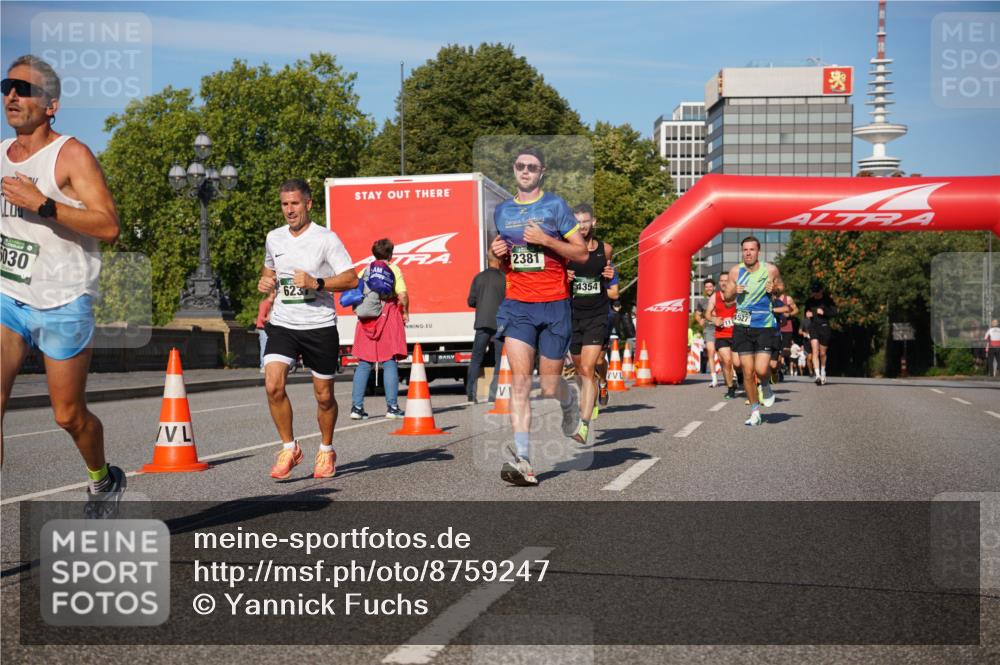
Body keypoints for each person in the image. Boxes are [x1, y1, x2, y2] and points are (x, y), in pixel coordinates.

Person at [1, 55, 126, 513]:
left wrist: (44, 204)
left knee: (68, 415)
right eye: (7, 87)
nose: (12, 96)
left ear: (51, 105)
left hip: (63, 300)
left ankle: (102, 479)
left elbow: (109, 227)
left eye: (24, 88)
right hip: (8, 298)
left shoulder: (71, 154)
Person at [490, 146, 589, 486]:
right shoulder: (502, 211)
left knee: (548, 385)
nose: (526, 171)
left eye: (532, 167)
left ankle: (568, 399)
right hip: (518, 304)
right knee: (519, 381)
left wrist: (546, 240)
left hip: (555, 304)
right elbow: (500, 262)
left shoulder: (556, 206)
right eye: (520, 166)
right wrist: (496, 252)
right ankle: (524, 460)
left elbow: (579, 251)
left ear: (542, 171)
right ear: (514, 169)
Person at [258, 178, 357, 480]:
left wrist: (318, 283)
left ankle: (326, 450)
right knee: (273, 385)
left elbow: (352, 279)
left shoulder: (326, 239)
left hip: (319, 325)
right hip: (284, 323)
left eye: (295, 204)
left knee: (324, 396)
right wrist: (265, 282)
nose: (289, 210)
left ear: (309, 204)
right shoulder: (274, 238)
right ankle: (290, 447)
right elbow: (269, 270)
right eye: (285, 204)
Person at [566, 203, 615, 443]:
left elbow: (610, 281)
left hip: (597, 315)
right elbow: (558, 285)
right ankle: (595, 388)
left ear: (593, 222)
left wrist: (609, 278)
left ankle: (583, 425)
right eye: (576, 223)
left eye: (585, 221)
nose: (581, 226)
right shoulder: (566, 252)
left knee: (588, 368)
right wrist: (564, 278)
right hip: (574, 316)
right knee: (579, 369)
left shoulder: (605, 250)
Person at [722, 236, 781, 426]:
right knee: (747, 371)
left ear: (758, 252)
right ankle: (755, 410)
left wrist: (774, 289)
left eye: (751, 250)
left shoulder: (769, 269)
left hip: (764, 322)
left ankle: (765, 384)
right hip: (743, 320)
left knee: (761, 369)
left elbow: (781, 287)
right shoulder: (735, 272)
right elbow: (726, 298)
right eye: (745, 250)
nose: (748, 253)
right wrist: (734, 291)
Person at [350, 238, 409, 420]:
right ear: (390, 254)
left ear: (373, 253)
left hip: (366, 319)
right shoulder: (393, 269)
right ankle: (392, 407)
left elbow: (355, 292)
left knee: (364, 363)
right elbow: (403, 295)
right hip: (387, 316)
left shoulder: (365, 270)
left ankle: (357, 408)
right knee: (389, 360)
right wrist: (405, 311)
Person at [466, 250, 505, 403]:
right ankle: (493, 395)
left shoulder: (478, 278)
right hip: (499, 325)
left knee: (476, 359)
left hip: (482, 323)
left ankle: (471, 394)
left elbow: (470, 301)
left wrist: (482, 302)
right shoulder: (504, 279)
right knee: (499, 361)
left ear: (488, 261)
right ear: (499, 261)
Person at [707, 272, 738, 399]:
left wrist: (740, 317)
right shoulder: (715, 297)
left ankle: (739, 378)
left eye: (726, 280)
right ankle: (730, 388)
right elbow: (707, 314)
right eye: (721, 281)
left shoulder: (738, 295)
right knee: (726, 361)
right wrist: (714, 320)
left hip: (737, 333)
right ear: (719, 283)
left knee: (737, 363)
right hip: (722, 334)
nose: (724, 283)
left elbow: (748, 310)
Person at [803, 281, 836, 385]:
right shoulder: (809, 301)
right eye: (814, 291)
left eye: (817, 291)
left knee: (822, 353)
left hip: (824, 327)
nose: (815, 293)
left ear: (821, 290)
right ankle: (817, 376)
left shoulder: (828, 301)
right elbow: (806, 312)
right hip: (813, 327)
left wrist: (824, 312)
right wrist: (807, 314)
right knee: (815, 351)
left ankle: (823, 372)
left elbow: (834, 312)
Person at [770, 277, 798, 383]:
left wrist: (789, 314)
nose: (776, 286)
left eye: (778, 284)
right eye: (774, 283)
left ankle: (780, 367)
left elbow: (794, 309)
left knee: (783, 351)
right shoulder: (765, 298)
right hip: (769, 330)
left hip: (785, 327)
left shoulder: (787, 299)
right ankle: (777, 369)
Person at [694, 278, 719, 387]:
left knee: (724, 356)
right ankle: (714, 379)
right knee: (711, 351)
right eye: (706, 287)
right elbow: (697, 314)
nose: (708, 288)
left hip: (722, 327)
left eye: (710, 286)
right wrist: (700, 320)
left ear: (714, 287)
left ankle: (732, 376)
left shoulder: (720, 298)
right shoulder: (701, 301)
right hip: (709, 328)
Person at [255, 290, 276, 373]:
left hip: (268, 328)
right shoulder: (265, 303)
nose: (277, 293)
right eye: (275, 292)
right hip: (263, 328)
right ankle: (263, 366)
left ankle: (267, 365)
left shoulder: (273, 304)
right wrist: (269, 318)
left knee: (269, 347)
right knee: (264, 347)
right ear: (271, 293)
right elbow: (261, 318)